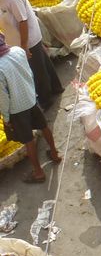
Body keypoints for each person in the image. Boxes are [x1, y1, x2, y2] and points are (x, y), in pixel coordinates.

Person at [0, 34, 60, 183]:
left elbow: (3, 98)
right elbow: (29, 73)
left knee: (28, 139)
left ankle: (38, 172)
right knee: (44, 126)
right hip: (31, 98)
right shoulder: (18, 51)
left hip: (16, 109)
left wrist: (6, 118)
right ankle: (54, 154)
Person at [0, 0, 63, 110]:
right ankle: (56, 87)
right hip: (19, 37)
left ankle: (46, 100)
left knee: (36, 70)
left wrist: (24, 46)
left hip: (26, 39)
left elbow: (23, 21)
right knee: (43, 63)